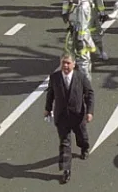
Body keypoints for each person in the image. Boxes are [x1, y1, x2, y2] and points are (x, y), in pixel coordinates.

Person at [44, 53, 95, 186]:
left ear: (73, 64)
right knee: (64, 143)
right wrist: (47, 108)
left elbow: (89, 94)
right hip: (61, 117)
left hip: (78, 116)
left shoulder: (80, 77)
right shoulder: (54, 77)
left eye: (68, 63)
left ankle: (84, 148)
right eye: (63, 63)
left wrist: (89, 111)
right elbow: (50, 93)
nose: (65, 66)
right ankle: (66, 170)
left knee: (82, 136)